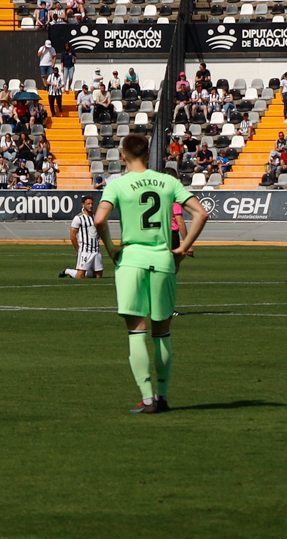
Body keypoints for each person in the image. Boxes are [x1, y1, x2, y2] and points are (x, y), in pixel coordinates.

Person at [94, 134, 209, 414]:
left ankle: (146, 399)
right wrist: (182, 247)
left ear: (123, 155)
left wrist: (111, 249)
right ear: (148, 154)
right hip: (163, 260)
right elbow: (201, 214)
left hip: (132, 259)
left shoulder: (118, 184)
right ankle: (163, 396)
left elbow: (99, 219)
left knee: (136, 331)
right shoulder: (168, 181)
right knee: (163, 332)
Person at [59, 196, 102, 279]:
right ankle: (67, 271)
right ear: (83, 205)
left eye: (92, 204)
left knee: (98, 276)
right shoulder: (78, 218)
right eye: (88, 204)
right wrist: (78, 250)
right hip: (85, 250)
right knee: (80, 276)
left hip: (96, 250)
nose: (91, 206)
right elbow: (72, 236)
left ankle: (88, 270)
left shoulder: (96, 217)